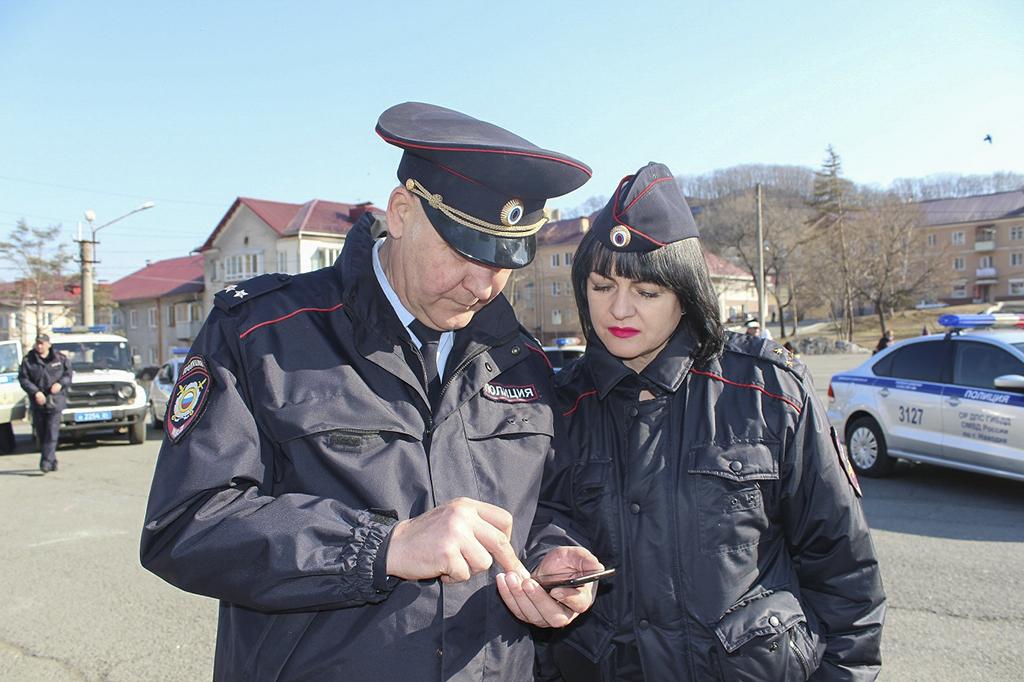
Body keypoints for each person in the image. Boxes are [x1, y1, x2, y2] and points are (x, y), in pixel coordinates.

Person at [140, 102, 602, 681]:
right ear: (402, 213)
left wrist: (553, 555)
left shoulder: (521, 361)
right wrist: (383, 546)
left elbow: (547, 500)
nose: (483, 285)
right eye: (465, 252)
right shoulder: (263, 335)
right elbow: (187, 524)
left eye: (506, 261)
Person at [540, 162, 885, 680]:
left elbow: (843, 570)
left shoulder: (768, 392)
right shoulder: (557, 406)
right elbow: (536, 528)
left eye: (646, 291)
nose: (619, 309)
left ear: (685, 294)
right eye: (601, 285)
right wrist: (546, 555)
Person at [18, 333, 72, 473]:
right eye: (38, 343)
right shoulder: (28, 360)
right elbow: (23, 379)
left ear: (49, 344)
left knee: (51, 432)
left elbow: (68, 375)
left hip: (55, 401)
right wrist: (35, 392)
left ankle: (46, 462)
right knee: (42, 433)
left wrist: (60, 384)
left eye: (42, 343)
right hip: (38, 402)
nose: (39, 346)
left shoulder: (59, 358)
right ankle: (52, 460)